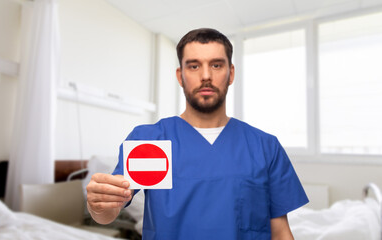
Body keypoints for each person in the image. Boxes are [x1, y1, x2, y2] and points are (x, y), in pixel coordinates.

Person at [86, 28, 309, 239]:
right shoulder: (150, 142)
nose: (205, 75)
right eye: (193, 66)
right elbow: (109, 211)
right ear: (180, 76)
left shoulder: (265, 147)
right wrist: (99, 205)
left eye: (216, 65)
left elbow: (280, 233)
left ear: (230, 74)